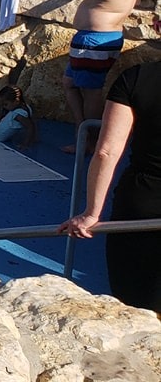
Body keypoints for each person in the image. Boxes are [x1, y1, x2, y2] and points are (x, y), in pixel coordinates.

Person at [59, 60, 161, 312]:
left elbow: (106, 152)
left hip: (140, 203)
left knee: (136, 304)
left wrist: (91, 213)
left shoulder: (136, 77)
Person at [61, 0, 140, 153]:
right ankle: (82, 131)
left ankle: (91, 142)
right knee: (69, 83)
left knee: (91, 92)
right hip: (99, 39)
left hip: (95, 40)